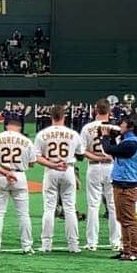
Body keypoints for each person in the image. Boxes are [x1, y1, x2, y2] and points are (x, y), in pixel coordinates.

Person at [34, 105, 86, 253]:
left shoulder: (42, 134)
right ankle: (73, 245)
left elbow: (37, 157)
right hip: (68, 169)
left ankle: (46, 245)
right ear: (64, 117)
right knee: (70, 208)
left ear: (51, 117)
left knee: (49, 208)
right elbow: (81, 155)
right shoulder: (73, 134)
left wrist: (53, 164)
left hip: (51, 170)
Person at [0, 117, 36, 254]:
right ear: (20, 127)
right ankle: (27, 246)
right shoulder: (27, 141)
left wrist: (5, 172)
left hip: (2, 175)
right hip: (20, 176)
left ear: (7, 126)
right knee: (23, 214)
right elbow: (32, 163)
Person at [79, 99, 122, 253]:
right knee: (113, 205)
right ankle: (115, 242)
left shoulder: (87, 128)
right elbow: (120, 149)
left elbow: (82, 151)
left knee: (93, 205)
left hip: (94, 167)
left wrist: (97, 157)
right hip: (112, 167)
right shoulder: (116, 128)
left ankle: (92, 243)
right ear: (109, 111)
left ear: (95, 111)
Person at [101, 115, 137, 261]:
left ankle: (135, 251)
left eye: (123, 123)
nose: (120, 125)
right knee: (122, 219)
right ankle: (126, 250)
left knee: (129, 220)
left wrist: (105, 137)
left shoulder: (131, 143)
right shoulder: (128, 141)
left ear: (130, 126)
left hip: (127, 185)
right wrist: (112, 138)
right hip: (122, 184)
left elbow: (109, 150)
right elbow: (115, 150)